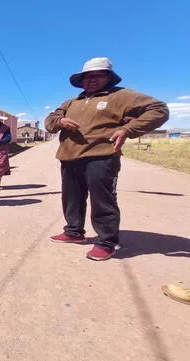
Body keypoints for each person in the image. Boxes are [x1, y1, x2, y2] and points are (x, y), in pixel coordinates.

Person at [45, 57, 169, 261]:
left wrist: (127, 129)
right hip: (69, 156)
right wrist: (61, 120)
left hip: (101, 156)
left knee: (103, 200)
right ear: (81, 79)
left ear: (109, 77)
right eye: (87, 76)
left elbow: (159, 109)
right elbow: (50, 121)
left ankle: (106, 242)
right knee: (71, 198)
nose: (91, 80)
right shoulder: (72, 102)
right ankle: (73, 232)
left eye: (98, 75)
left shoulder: (121, 96)